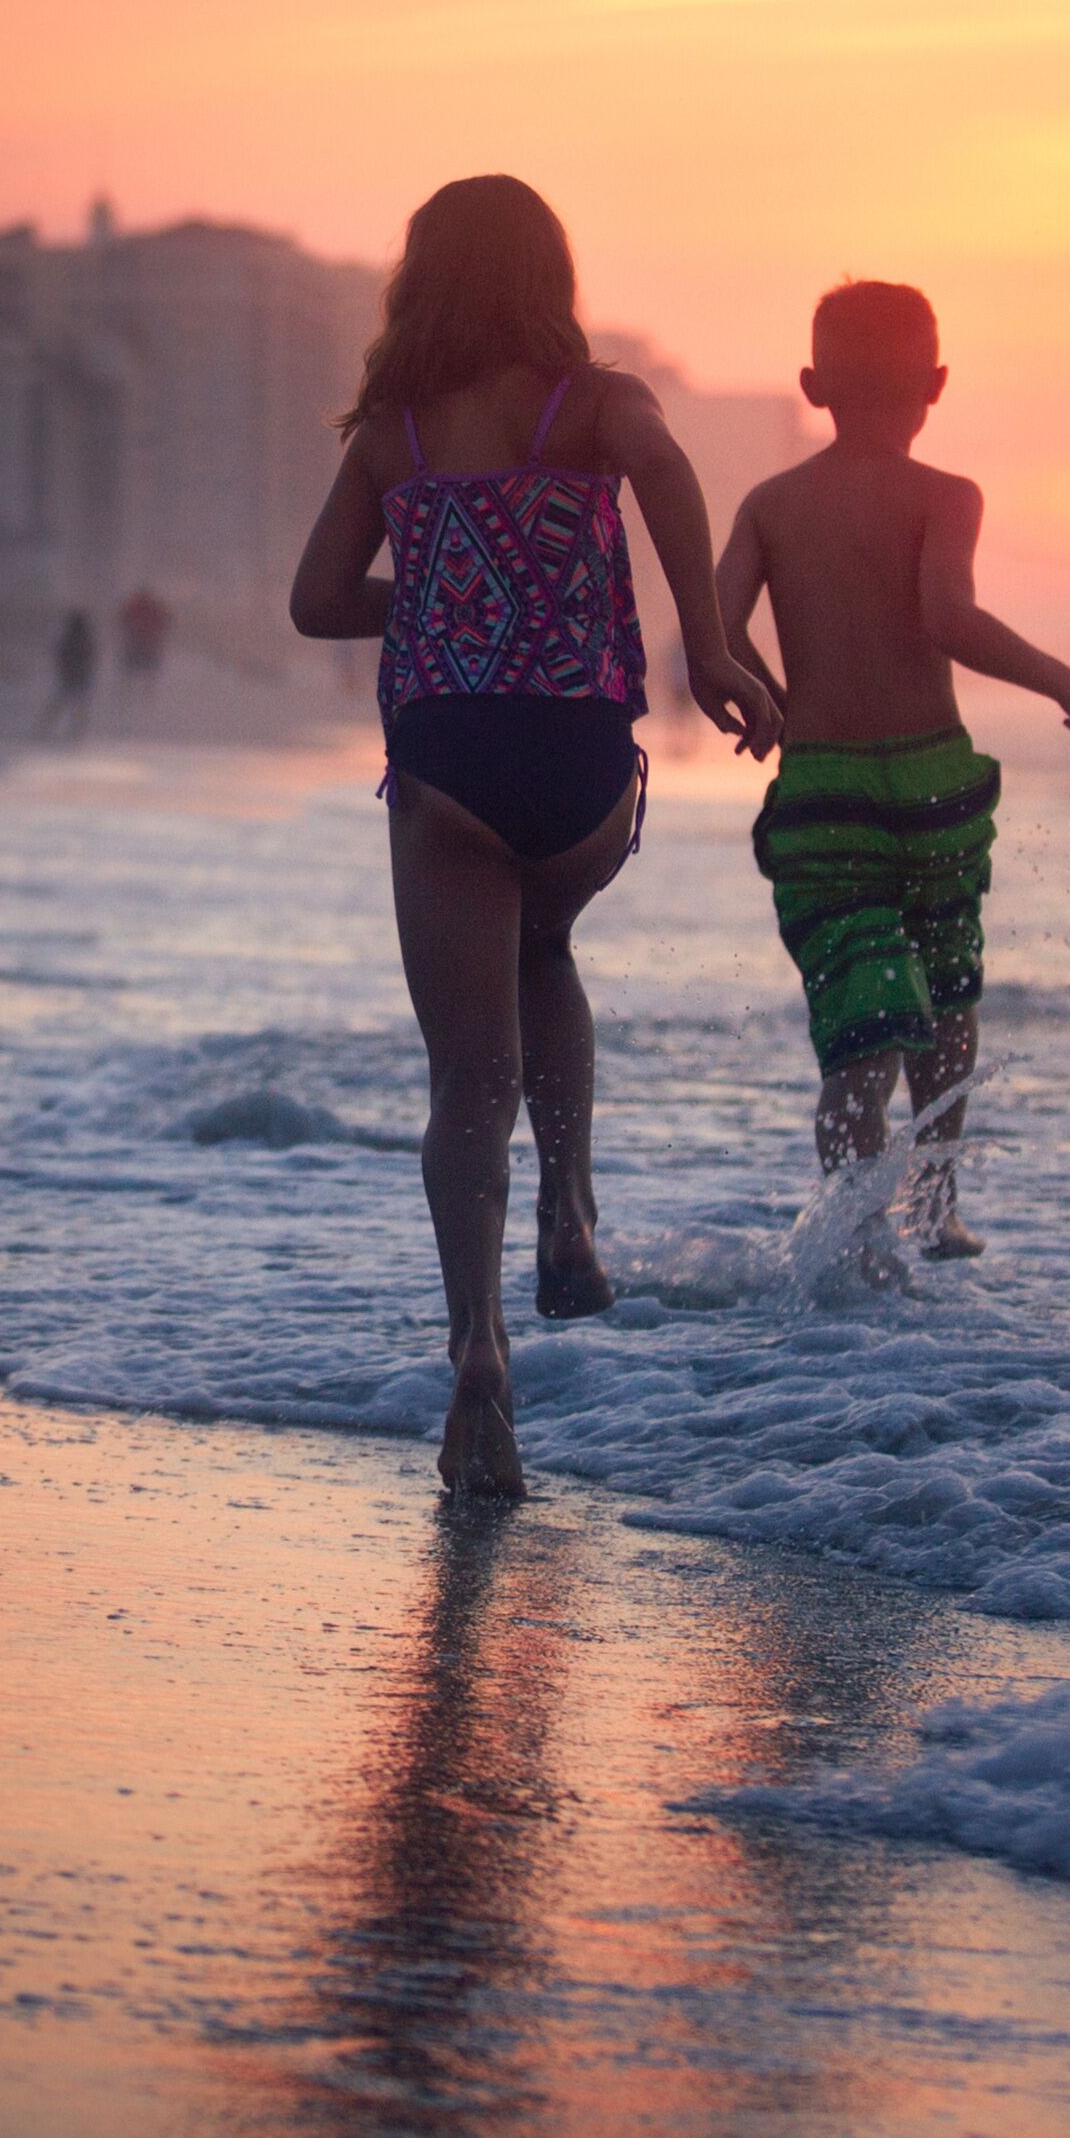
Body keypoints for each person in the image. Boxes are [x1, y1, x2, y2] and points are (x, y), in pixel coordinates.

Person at [289, 175, 783, 1496]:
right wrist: (713, 646)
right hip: (575, 758)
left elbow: (317, 600)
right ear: (549, 274)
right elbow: (671, 472)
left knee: (465, 1078)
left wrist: (445, 586)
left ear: (421, 279)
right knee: (547, 947)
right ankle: (569, 1206)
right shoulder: (598, 405)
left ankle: (477, 1355)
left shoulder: (392, 433)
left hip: (449, 756)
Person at [715, 280, 1070, 1264]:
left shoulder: (771, 507)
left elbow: (714, 631)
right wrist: (1065, 679)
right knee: (949, 998)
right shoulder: (947, 497)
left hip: (824, 799)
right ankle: (936, 1208)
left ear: (812, 385)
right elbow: (947, 617)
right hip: (935, 789)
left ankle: (855, 1247)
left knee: (860, 1031)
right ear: (936, 384)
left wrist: (761, 698)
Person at [42, 607, 97, 739]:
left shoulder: (67, 637)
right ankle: (76, 730)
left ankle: (45, 727)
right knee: (77, 705)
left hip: (69, 675)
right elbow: (91, 657)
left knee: (60, 703)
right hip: (80, 675)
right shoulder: (85, 639)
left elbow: (60, 655)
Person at [116, 585, 171, 690]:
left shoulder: (133, 605)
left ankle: (129, 688)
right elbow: (162, 622)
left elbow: (123, 619)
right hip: (147, 642)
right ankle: (147, 689)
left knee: (132, 667)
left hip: (136, 641)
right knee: (147, 668)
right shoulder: (153, 607)